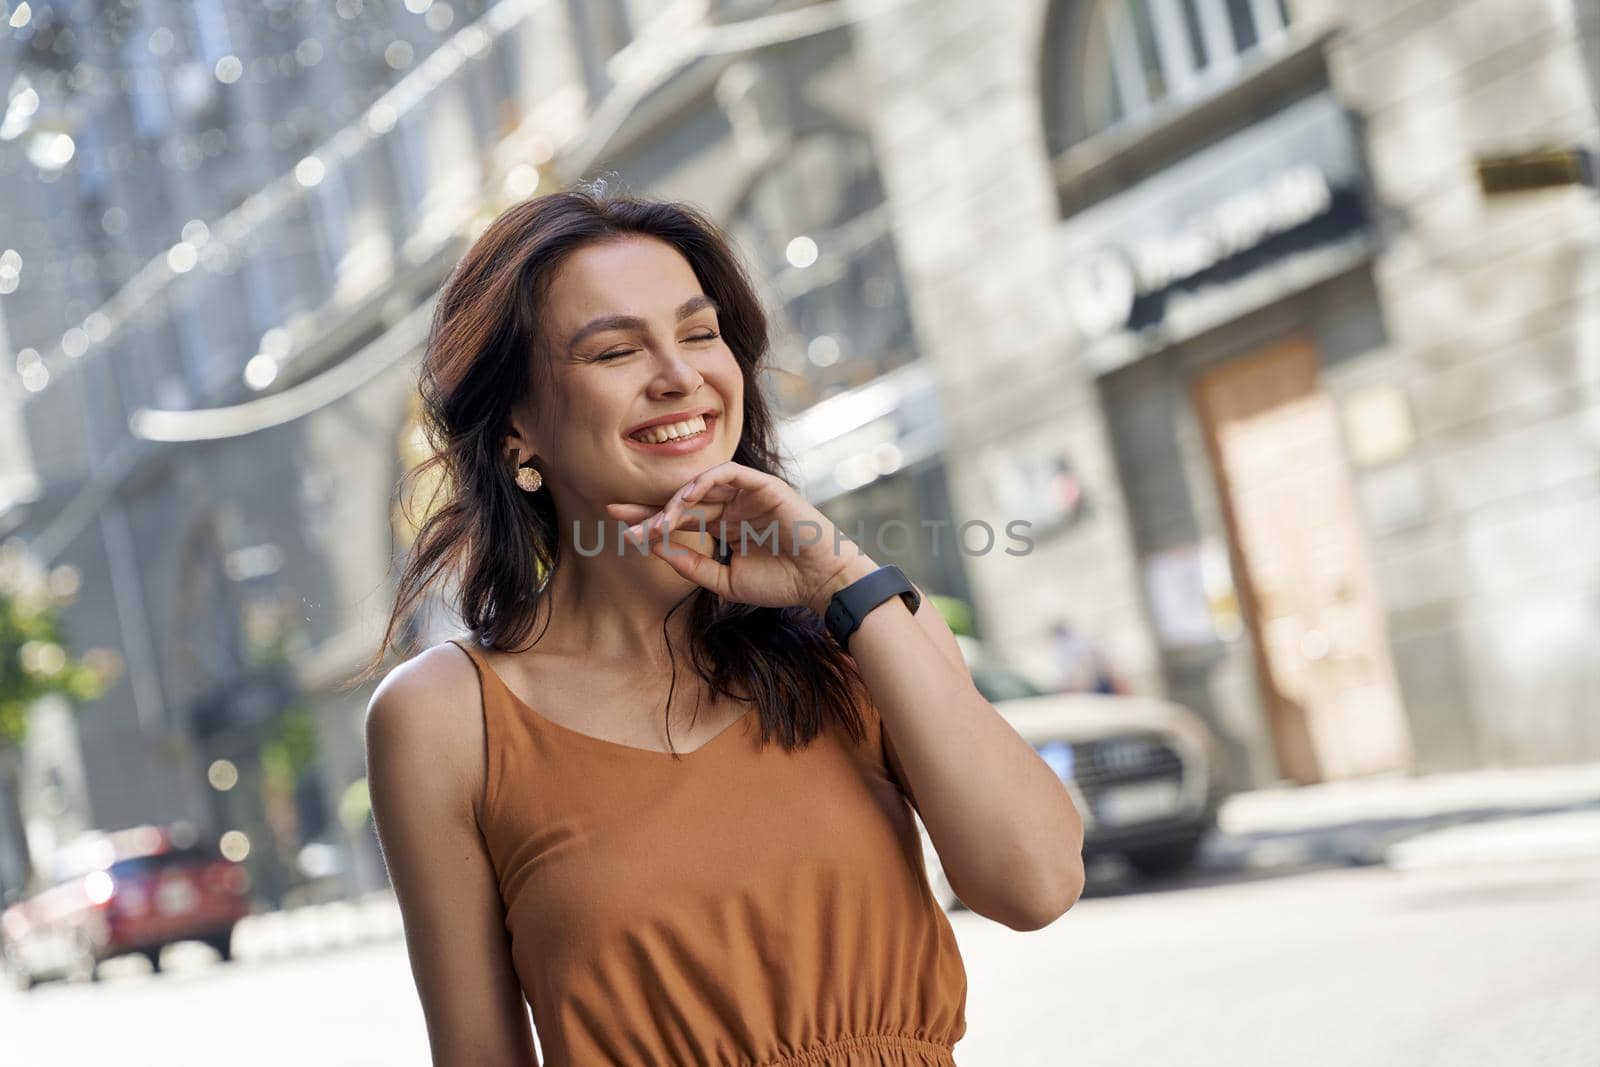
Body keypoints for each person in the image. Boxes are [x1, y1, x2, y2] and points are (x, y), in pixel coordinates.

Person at [358, 185, 1085, 1066]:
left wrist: (835, 574)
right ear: (517, 428)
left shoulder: (861, 625)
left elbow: (1036, 883)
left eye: (700, 334)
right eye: (617, 349)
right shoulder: (446, 719)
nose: (679, 375)